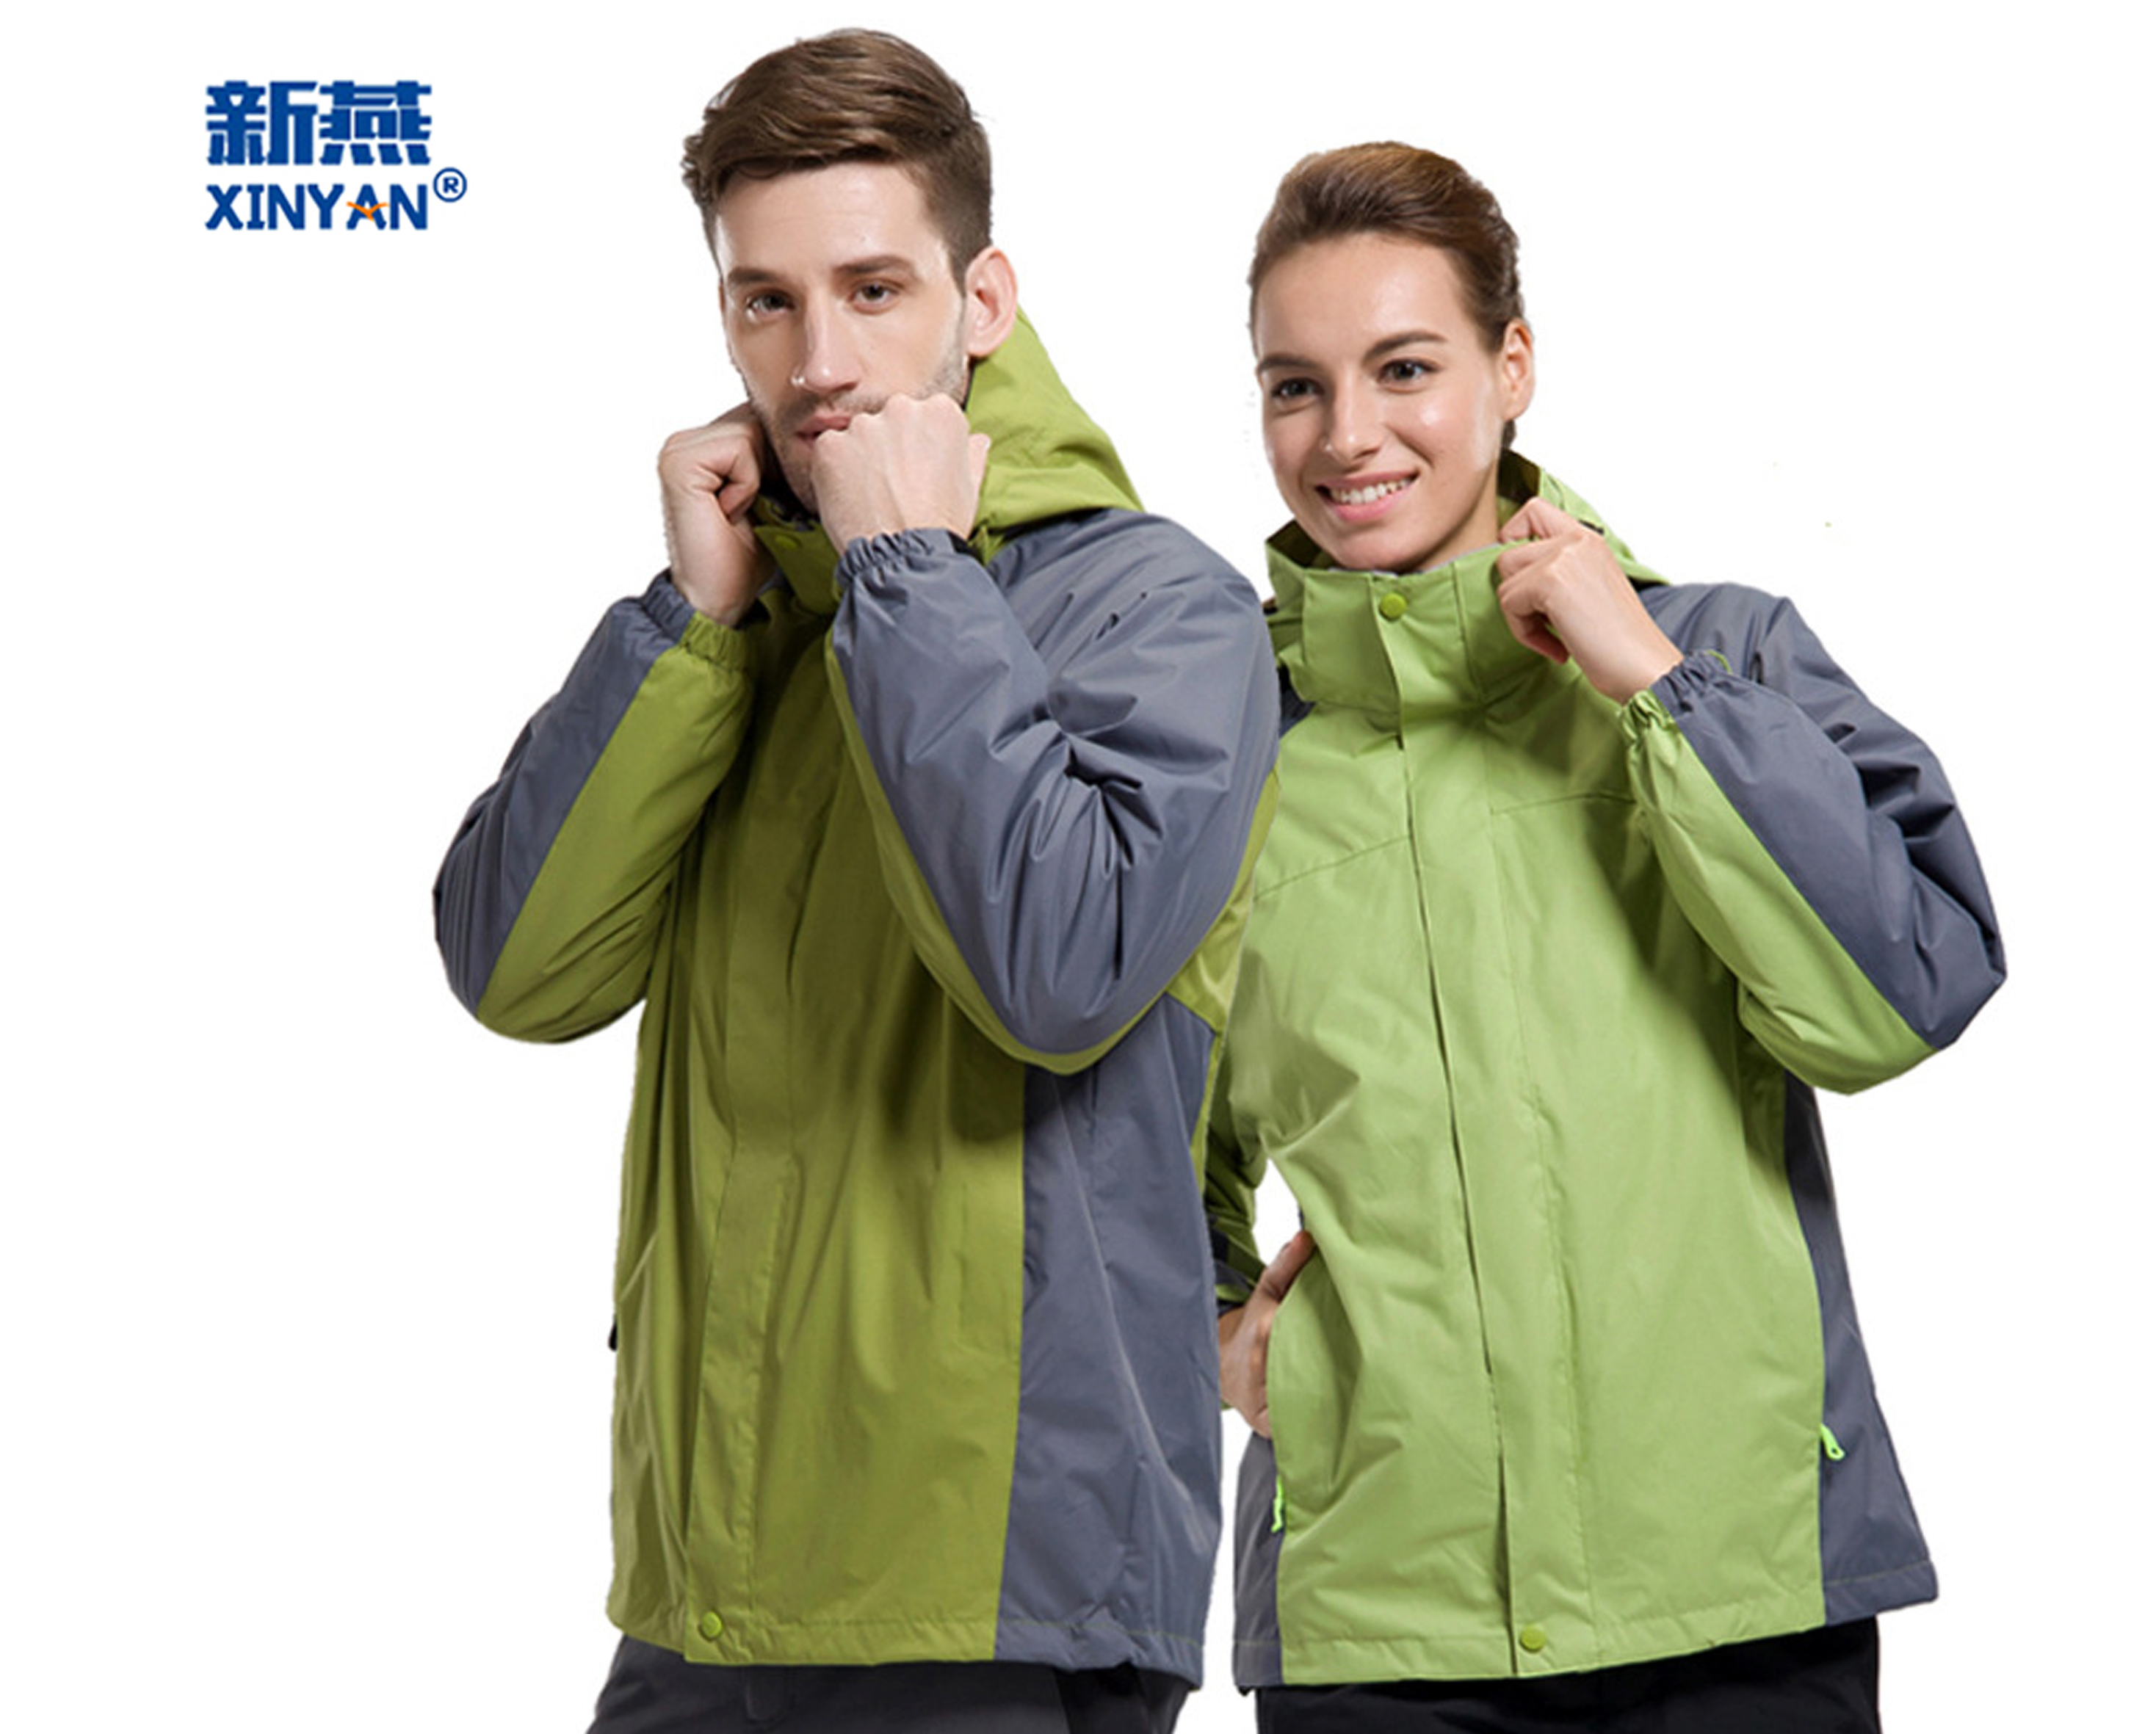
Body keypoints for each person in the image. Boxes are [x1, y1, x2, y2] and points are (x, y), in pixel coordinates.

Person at [433, 32, 1276, 1733]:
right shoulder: (752, 619)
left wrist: (905, 566)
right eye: (767, 302)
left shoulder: (1158, 607)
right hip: (704, 1592)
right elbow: (516, 966)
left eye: (874, 289)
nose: (817, 362)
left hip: (995, 1600)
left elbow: (1059, 966)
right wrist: (690, 624)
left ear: (985, 300)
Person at [1204, 143, 2004, 1733]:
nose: (1347, 434)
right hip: (1381, 1615)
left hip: (1738, 1588)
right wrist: (1207, 1332)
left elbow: (1897, 995)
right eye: (1296, 386)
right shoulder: (1231, 748)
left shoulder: (1721, 655)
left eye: (1404, 368)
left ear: (1511, 367)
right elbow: (1117, 1116)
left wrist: (1655, 687)